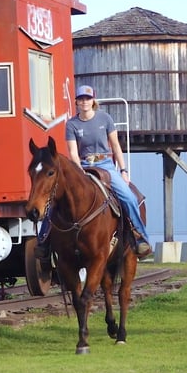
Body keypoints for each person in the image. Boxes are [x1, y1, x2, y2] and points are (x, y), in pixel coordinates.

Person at [65, 84, 152, 259]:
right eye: (81, 99)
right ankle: (44, 242)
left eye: (87, 99)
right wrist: (80, 171)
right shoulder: (71, 124)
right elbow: (73, 152)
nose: (84, 102)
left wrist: (123, 170)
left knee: (128, 197)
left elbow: (116, 146)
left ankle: (140, 238)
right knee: (58, 198)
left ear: (93, 101)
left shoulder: (105, 119)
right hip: (83, 165)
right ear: (76, 102)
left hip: (105, 164)